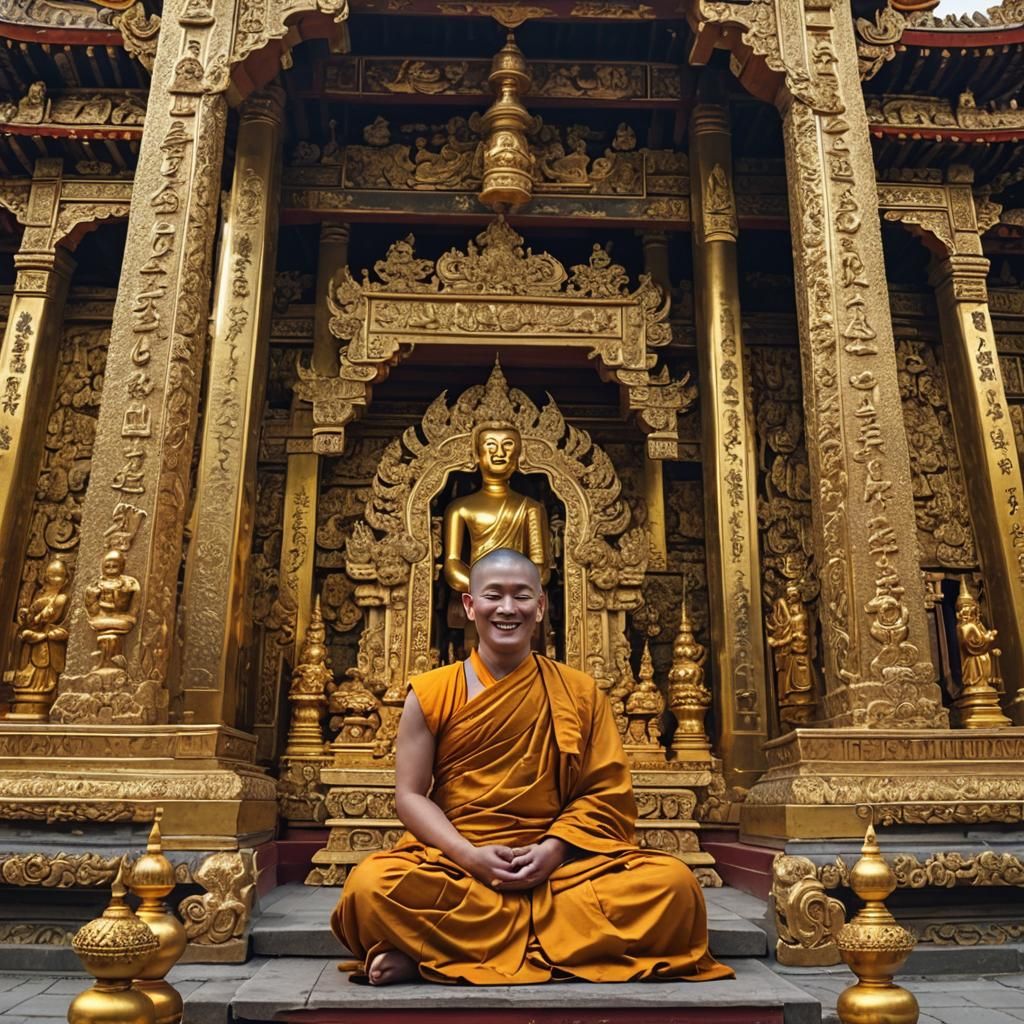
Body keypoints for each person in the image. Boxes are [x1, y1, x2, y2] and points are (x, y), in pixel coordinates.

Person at [332, 547, 733, 986]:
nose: (507, 609)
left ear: (540, 607)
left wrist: (553, 850)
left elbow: (604, 794)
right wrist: (471, 857)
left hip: (560, 868)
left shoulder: (580, 693)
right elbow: (409, 795)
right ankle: (532, 946)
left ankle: (432, 954)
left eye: (522, 596)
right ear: (469, 605)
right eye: (493, 596)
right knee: (369, 887)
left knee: (674, 886)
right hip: (458, 862)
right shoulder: (430, 692)